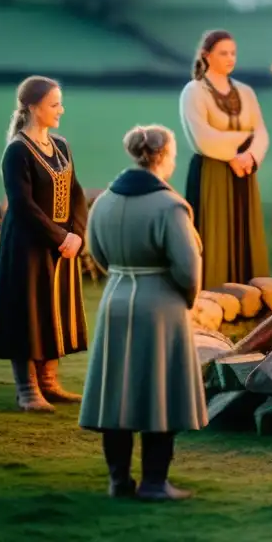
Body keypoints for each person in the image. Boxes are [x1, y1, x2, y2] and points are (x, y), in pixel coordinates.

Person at [79, 125, 207, 501]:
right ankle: (154, 482)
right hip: (161, 306)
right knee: (159, 395)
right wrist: (186, 296)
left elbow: (97, 252)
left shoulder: (103, 201)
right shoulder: (170, 206)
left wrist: (123, 276)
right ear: (163, 156)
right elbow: (188, 268)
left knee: (115, 394)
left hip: (115, 299)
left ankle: (118, 481)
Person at [0, 76, 89, 413]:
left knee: (54, 308)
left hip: (62, 245)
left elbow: (75, 192)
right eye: (54, 104)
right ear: (33, 107)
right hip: (28, 245)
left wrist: (78, 235)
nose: (61, 109)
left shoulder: (61, 145)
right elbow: (22, 204)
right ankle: (27, 389)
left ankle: (49, 383)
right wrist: (61, 238)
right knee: (27, 311)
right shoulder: (17, 151)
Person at [179, 29, 270, 291]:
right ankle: (214, 293)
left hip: (244, 170)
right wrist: (233, 154)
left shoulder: (246, 92)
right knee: (214, 232)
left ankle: (249, 292)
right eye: (223, 53)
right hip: (212, 171)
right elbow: (201, 135)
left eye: (233, 52)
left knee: (245, 230)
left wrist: (250, 156)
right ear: (207, 56)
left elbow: (260, 131)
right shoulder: (194, 91)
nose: (230, 58)